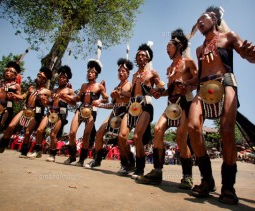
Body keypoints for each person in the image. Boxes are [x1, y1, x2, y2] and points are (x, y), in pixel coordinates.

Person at [187, 6, 255, 205]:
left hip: (226, 82)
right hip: (203, 87)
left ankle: (228, 185)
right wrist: (186, 83)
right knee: (192, 126)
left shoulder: (229, 37)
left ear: (214, 18)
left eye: (203, 18)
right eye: (197, 21)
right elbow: (199, 76)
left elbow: (246, 54)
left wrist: (249, 51)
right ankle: (207, 179)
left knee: (226, 131)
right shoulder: (200, 49)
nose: (199, 23)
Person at [136, 29, 198, 187]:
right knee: (158, 130)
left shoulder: (189, 62)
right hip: (171, 104)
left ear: (179, 46)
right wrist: (158, 93)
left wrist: (186, 85)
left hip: (185, 102)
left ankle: (187, 176)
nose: (166, 49)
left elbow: (198, 81)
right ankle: (157, 171)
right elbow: (170, 90)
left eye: (169, 45)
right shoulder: (170, 68)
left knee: (180, 137)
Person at [118, 43, 165, 179]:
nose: (140, 57)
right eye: (138, 55)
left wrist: (157, 89)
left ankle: (140, 169)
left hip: (145, 105)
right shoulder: (133, 76)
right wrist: (120, 94)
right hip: (132, 106)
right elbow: (132, 94)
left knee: (137, 137)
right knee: (121, 136)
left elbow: (161, 88)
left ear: (148, 58)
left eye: (143, 55)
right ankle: (130, 162)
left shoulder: (152, 73)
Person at [0, 67, 52, 155]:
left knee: (27, 132)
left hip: (36, 112)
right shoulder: (31, 88)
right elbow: (22, 97)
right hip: (25, 109)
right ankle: (1, 146)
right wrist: (14, 95)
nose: (38, 77)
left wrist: (45, 101)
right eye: (38, 75)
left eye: (40, 76)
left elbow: (49, 103)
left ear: (45, 80)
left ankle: (24, 151)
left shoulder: (47, 91)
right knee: (11, 126)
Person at [84, 58, 133, 168]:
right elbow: (112, 104)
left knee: (122, 137)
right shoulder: (116, 87)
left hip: (125, 112)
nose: (120, 73)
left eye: (123, 71)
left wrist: (121, 94)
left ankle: (128, 162)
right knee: (99, 133)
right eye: (119, 71)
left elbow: (133, 98)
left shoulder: (130, 85)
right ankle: (97, 160)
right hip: (114, 112)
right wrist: (99, 105)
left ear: (128, 73)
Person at [63, 60, 109, 166]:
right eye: (88, 71)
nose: (89, 73)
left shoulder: (99, 86)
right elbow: (78, 98)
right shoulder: (83, 86)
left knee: (86, 135)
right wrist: (67, 97)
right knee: (72, 133)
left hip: (91, 111)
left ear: (96, 74)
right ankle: (72, 156)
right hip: (80, 109)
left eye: (92, 72)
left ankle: (82, 159)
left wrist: (100, 101)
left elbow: (106, 98)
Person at [30, 65, 75, 161]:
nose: (61, 79)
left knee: (53, 134)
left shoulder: (69, 90)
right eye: (60, 77)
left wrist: (65, 97)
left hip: (60, 114)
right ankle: (37, 151)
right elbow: (49, 103)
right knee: (39, 130)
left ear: (67, 79)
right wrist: (44, 101)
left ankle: (52, 154)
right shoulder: (54, 90)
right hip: (51, 112)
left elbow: (74, 103)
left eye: (64, 77)